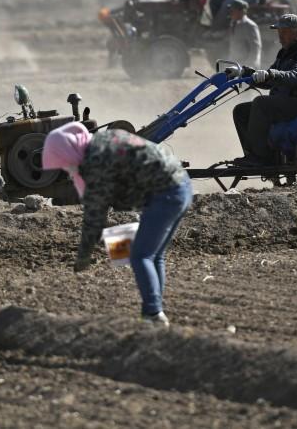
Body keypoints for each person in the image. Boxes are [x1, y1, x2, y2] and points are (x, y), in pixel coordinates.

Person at [42, 122, 193, 327]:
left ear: (67, 149)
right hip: (181, 186)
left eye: (62, 161)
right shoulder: (104, 140)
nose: (65, 166)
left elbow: (95, 215)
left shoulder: (96, 161)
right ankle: (154, 311)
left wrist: (84, 255)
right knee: (154, 255)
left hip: (165, 194)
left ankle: (153, 314)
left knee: (140, 256)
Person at [232, 14, 297, 166]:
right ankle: (254, 155)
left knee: (261, 104)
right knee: (241, 111)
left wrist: (272, 74)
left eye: (284, 33)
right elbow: (270, 81)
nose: (280, 37)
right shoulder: (285, 52)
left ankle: (262, 158)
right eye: (279, 33)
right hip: (289, 100)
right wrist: (244, 73)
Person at [228, 0, 262, 69]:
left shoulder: (250, 25)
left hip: (247, 67)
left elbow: (255, 48)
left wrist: (248, 66)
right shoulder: (233, 23)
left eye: (233, 10)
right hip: (235, 65)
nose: (230, 12)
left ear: (241, 11)